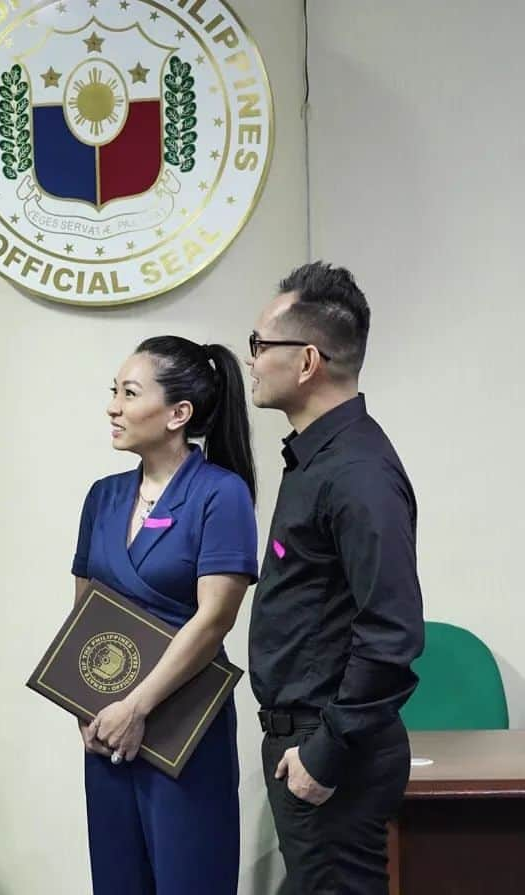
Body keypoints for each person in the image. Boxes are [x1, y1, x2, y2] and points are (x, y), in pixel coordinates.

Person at [247, 261, 424, 894]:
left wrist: (326, 751)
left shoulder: (357, 474)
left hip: (332, 754)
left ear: (307, 361)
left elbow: (392, 635)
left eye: (261, 345)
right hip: (311, 744)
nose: (252, 360)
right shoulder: (316, 458)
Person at [72, 335, 258, 895]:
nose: (113, 407)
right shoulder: (102, 496)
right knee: (118, 879)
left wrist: (137, 705)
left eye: (129, 393)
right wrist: (86, 706)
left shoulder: (221, 494)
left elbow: (215, 619)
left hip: (182, 728)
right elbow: (84, 611)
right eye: (114, 392)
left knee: (189, 878)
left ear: (179, 414)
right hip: (108, 728)